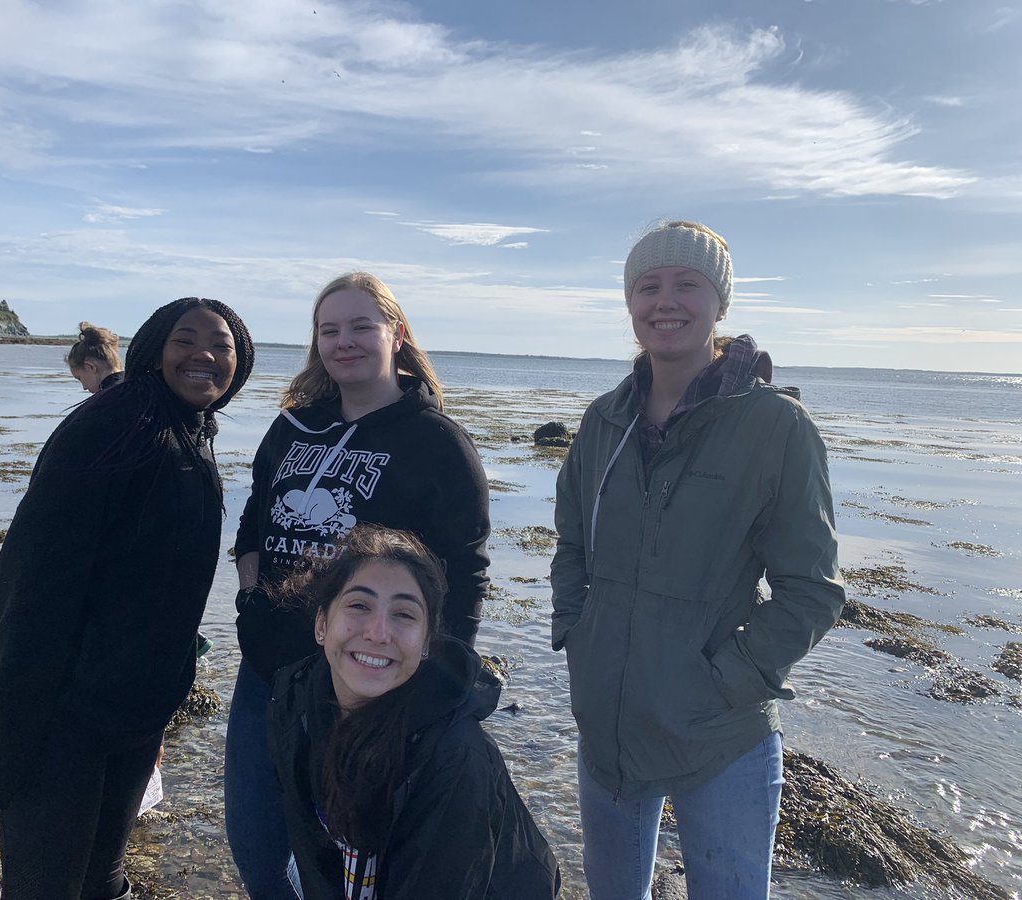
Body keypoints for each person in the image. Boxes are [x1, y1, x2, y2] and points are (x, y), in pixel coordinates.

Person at [550, 221, 845, 899]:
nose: (665, 301)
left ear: (721, 302)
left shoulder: (776, 427)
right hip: (608, 727)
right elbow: (571, 546)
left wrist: (725, 681)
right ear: (630, 302)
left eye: (688, 283)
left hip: (721, 736)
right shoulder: (603, 421)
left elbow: (812, 591)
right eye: (648, 286)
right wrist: (579, 636)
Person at [0, 297, 254, 900]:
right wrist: (16, 710)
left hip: (133, 706)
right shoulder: (114, 424)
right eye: (185, 340)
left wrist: (162, 697)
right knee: (45, 885)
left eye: (221, 345)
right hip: (64, 708)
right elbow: (33, 575)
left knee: (103, 875)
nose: (204, 354)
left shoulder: (186, 427)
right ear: (152, 349)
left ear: (240, 362)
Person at [228, 271, 491, 898]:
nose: (343, 342)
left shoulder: (437, 442)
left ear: (396, 335)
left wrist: (440, 678)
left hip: (367, 685)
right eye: (329, 330)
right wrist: (251, 600)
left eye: (360, 327)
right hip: (268, 673)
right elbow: (254, 521)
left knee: (351, 865)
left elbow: (465, 571)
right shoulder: (291, 427)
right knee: (258, 847)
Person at [268, 525, 561, 899]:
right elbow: (314, 860)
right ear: (322, 624)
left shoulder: (455, 756)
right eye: (359, 605)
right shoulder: (294, 703)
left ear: (426, 644)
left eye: (404, 614)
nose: (378, 633)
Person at [66, 320, 124, 393]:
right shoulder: (135, 387)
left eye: (80, 378)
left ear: (90, 367)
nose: (84, 388)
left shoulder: (105, 398)